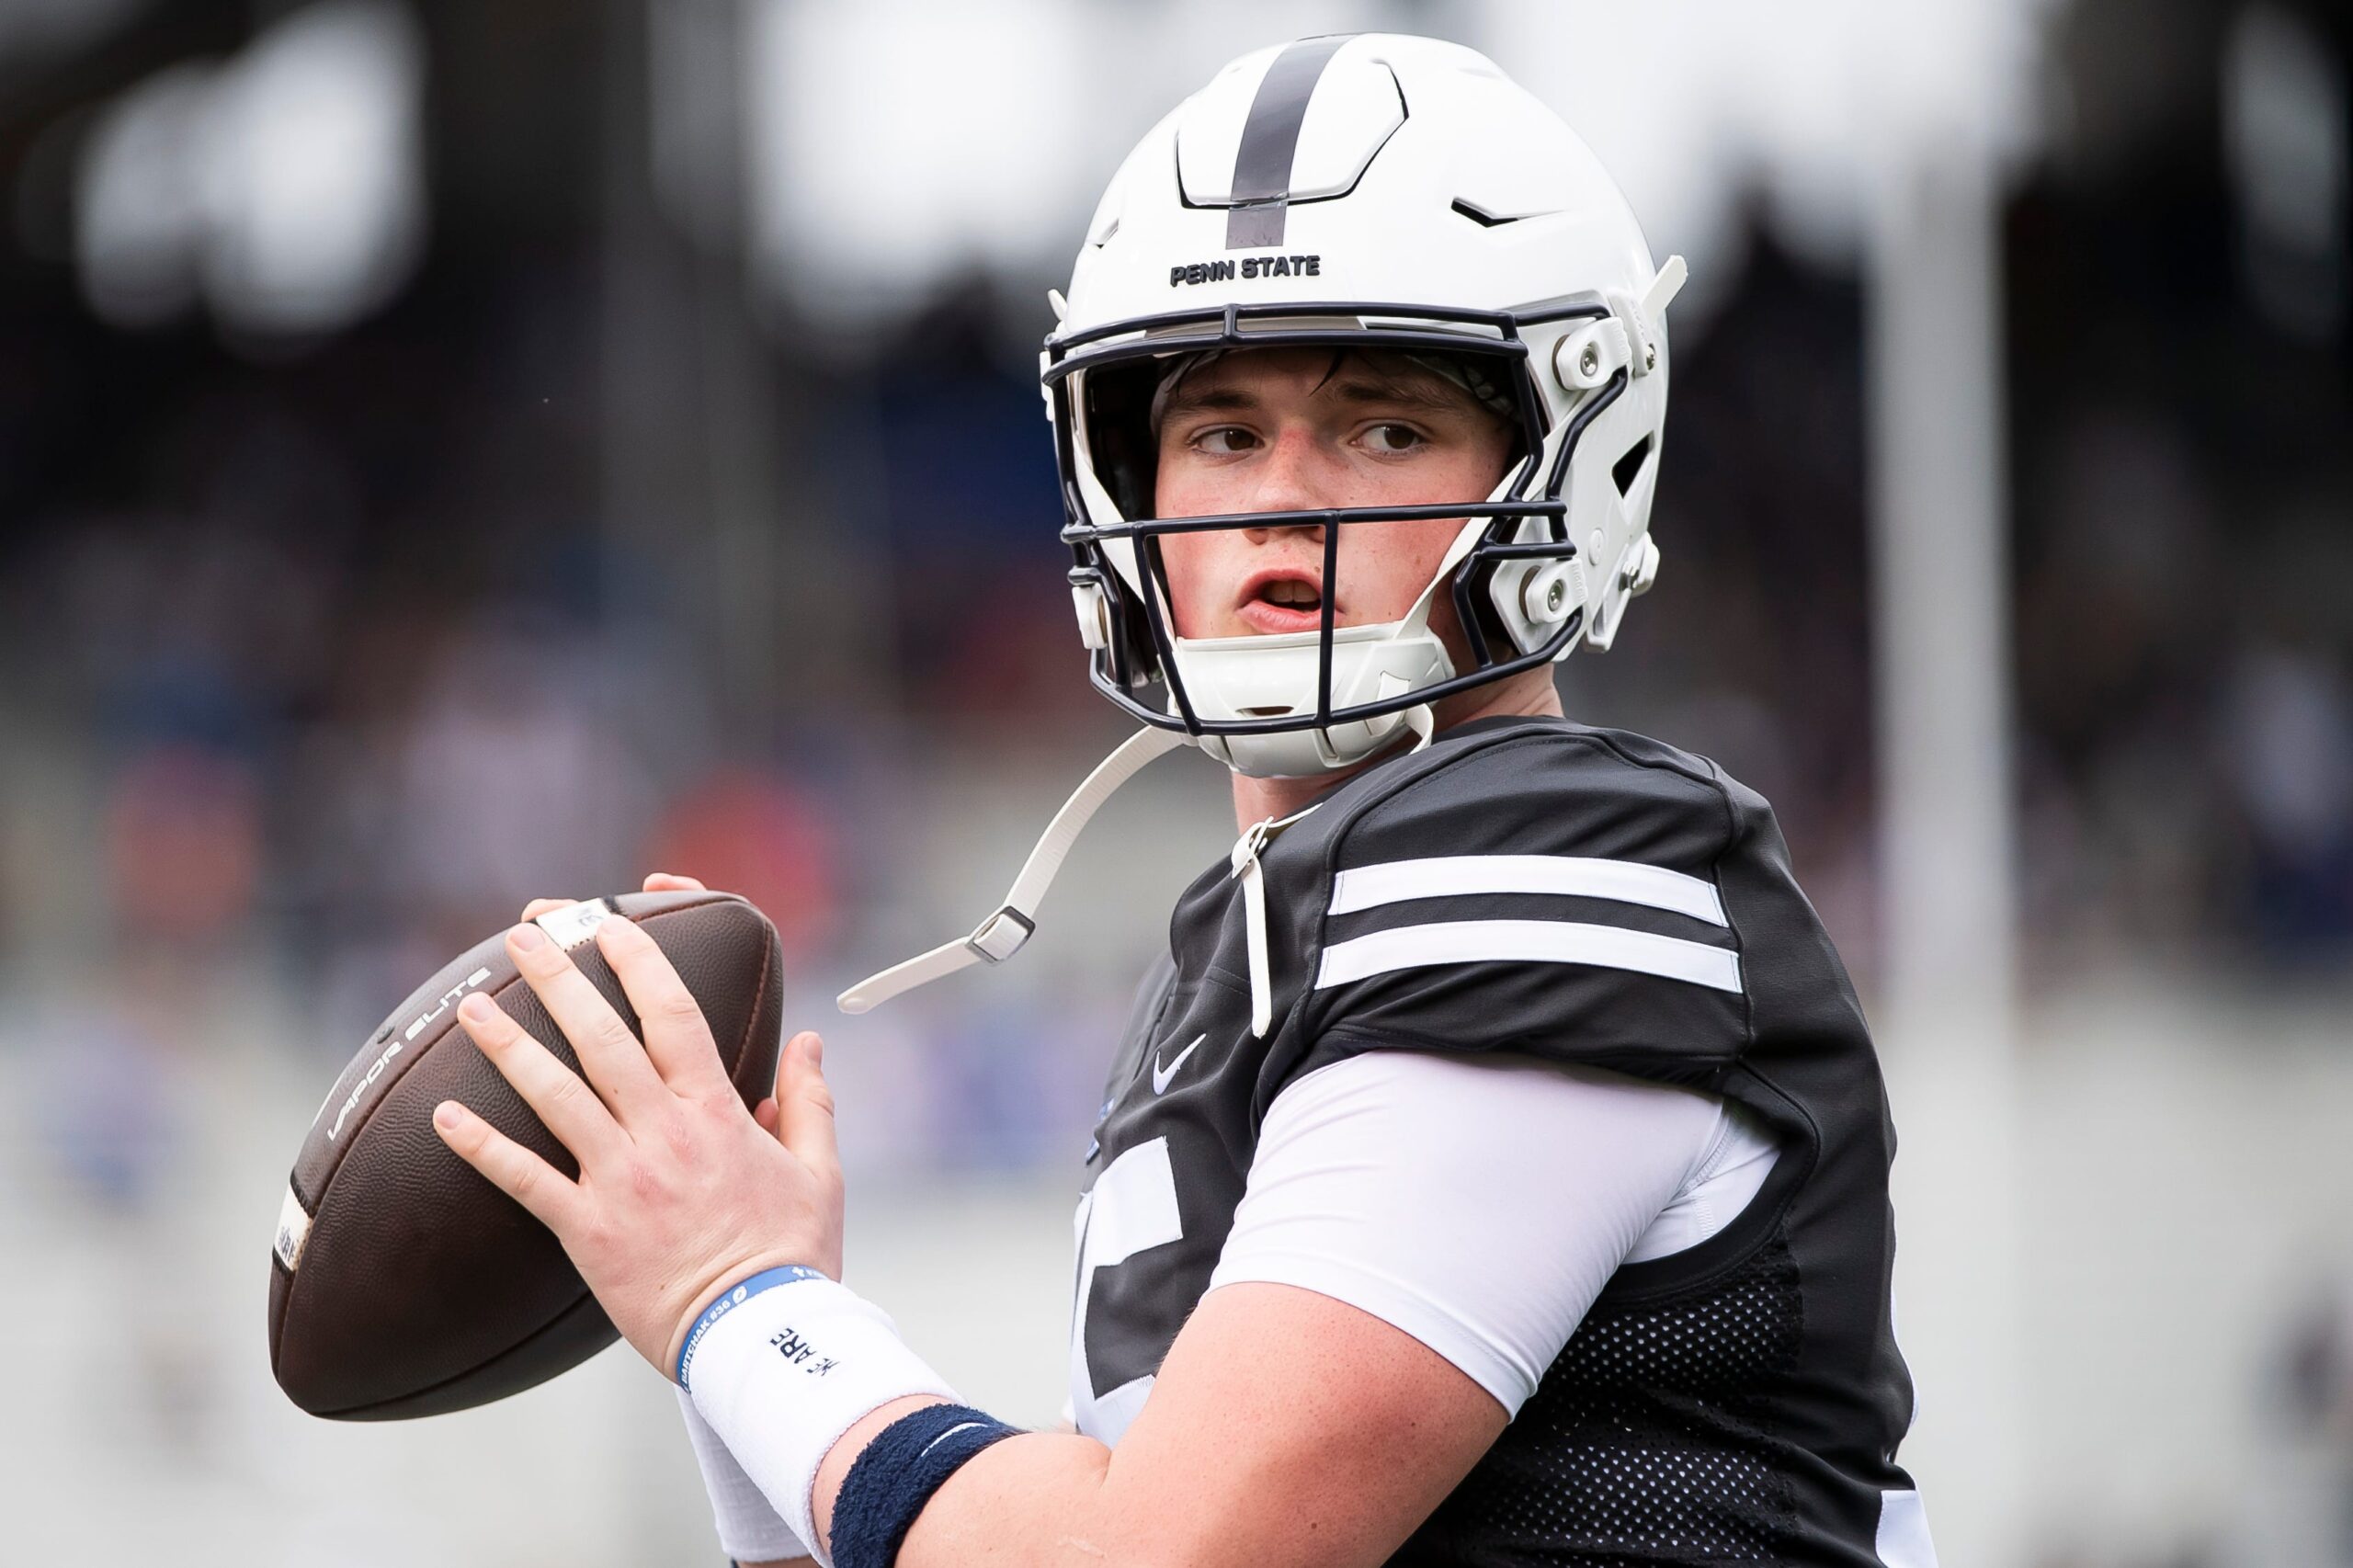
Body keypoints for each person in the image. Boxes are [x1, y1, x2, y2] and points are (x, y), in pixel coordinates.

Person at [433, 34, 1938, 1568]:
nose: (1284, 496)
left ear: (1569, 449)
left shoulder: (1555, 861)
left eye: (1387, 426)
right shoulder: (1254, 948)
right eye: (1222, 431)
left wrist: (746, 1306)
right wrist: (755, 1323)